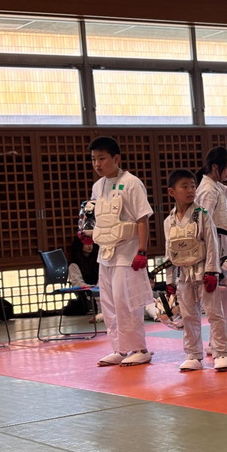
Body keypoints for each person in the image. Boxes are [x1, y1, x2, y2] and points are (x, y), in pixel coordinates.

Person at [83, 137, 154, 367]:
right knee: (109, 304)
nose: (97, 164)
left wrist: (142, 251)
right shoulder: (98, 186)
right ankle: (120, 349)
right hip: (105, 254)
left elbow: (142, 219)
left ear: (116, 158)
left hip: (128, 253)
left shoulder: (132, 183)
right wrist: (88, 233)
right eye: (94, 159)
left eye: (102, 158)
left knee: (127, 302)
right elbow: (99, 219)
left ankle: (140, 348)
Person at [163, 169, 227, 372]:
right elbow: (169, 252)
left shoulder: (202, 215)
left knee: (214, 313)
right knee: (188, 315)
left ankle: (221, 352)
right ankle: (193, 354)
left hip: (203, 271)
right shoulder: (169, 221)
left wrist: (212, 272)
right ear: (172, 192)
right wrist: (169, 281)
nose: (190, 190)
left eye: (193, 186)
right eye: (185, 187)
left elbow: (212, 244)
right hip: (183, 274)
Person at [195, 146, 227, 370]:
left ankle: (220, 338)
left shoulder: (217, 186)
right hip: (216, 243)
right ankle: (216, 341)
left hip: (224, 241)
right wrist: (210, 255)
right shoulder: (207, 189)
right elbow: (203, 224)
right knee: (219, 295)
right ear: (215, 167)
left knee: (226, 293)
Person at [63, 237, 100, 317]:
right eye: (86, 243)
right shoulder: (74, 264)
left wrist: (98, 287)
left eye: (91, 243)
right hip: (85, 291)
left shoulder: (97, 260)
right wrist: (90, 288)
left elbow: (102, 277)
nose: (89, 246)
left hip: (99, 289)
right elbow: (77, 282)